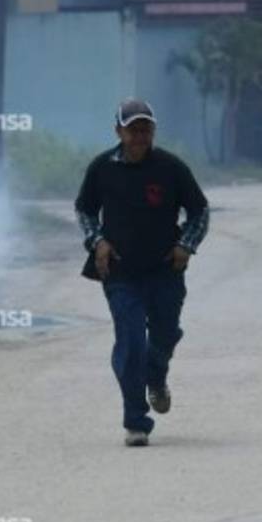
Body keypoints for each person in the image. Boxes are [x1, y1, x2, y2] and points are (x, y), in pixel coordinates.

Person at [75, 99, 209, 447]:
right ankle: (135, 420)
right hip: (120, 274)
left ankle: (157, 375)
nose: (139, 136)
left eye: (145, 129)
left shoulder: (170, 168)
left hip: (165, 270)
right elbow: (85, 210)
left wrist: (186, 246)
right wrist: (97, 241)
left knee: (165, 334)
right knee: (131, 341)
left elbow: (199, 211)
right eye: (133, 129)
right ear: (118, 131)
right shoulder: (102, 169)